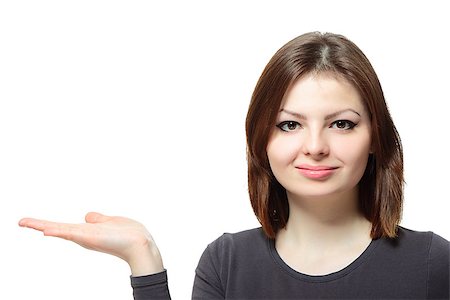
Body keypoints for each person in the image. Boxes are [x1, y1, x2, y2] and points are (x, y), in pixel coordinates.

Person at [19, 32, 449, 299]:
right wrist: (143, 258)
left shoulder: (432, 263)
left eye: (341, 123)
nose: (315, 146)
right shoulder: (227, 263)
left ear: (375, 136)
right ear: (261, 138)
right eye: (289, 124)